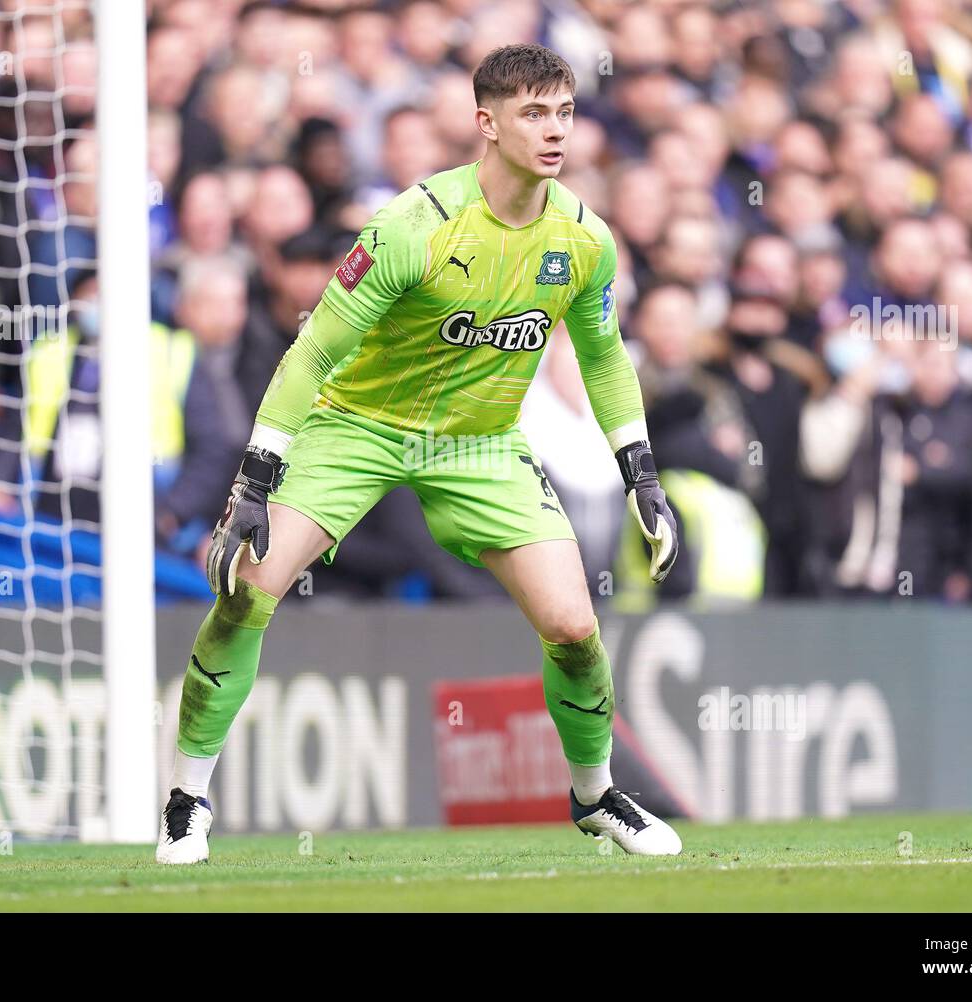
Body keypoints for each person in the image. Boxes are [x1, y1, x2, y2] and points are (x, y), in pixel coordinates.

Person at [157, 44, 683, 864]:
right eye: (533, 114)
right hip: (358, 426)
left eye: (565, 112)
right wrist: (256, 478)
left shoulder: (584, 240)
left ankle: (593, 796)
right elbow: (312, 353)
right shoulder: (415, 225)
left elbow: (605, 358)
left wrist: (640, 475)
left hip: (481, 443)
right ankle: (187, 797)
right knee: (249, 591)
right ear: (487, 123)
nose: (554, 132)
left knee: (576, 627)